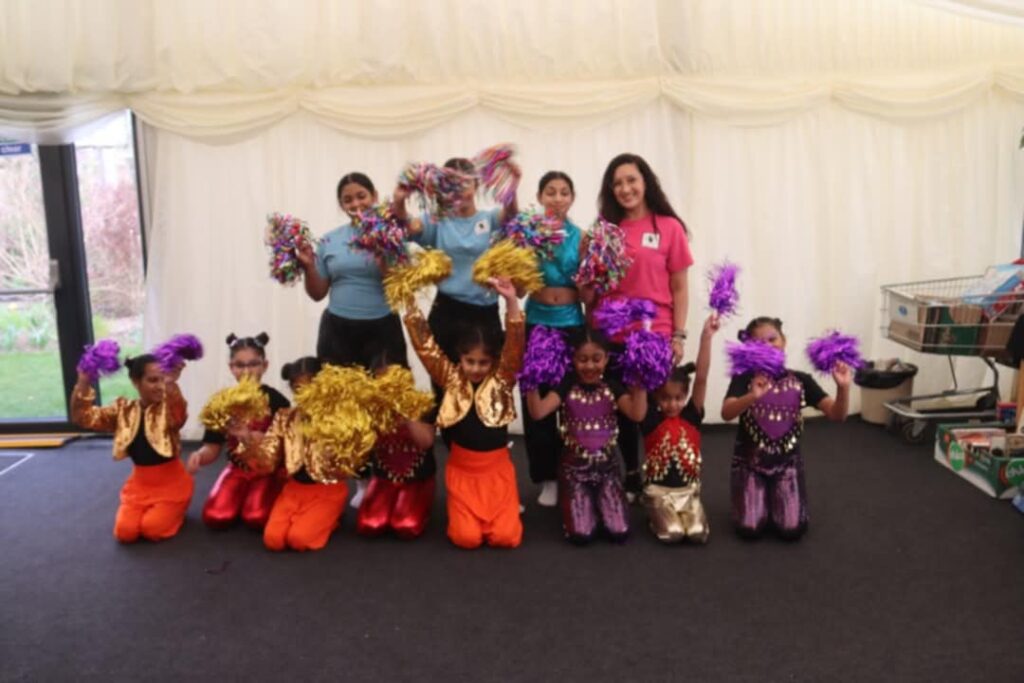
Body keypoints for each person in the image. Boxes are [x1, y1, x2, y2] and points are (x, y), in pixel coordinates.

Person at [589, 153, 694, 499]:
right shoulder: (605, 230)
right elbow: (594, 287)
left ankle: (660, 475)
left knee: (654, 409)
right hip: (612, 335)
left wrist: (678, 334)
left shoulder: (669, 227)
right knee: (621, 410)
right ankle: (631, 473)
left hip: (654, 335)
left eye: (631, 180)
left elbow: (679, 286)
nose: (625, 188)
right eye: (617, 183)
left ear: (645, 181)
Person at [402, 276, 525, 549]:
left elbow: (515, 345)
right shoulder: (451, 380)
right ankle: (466, 512)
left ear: (493, 361)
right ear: (460, 358)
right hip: (462, 473)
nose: (476, 368)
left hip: (497, 473)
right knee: (465, 538)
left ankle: (505, 508)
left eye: (483, 362)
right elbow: (426, 347)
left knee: (506, 538)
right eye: (470, 361)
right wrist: (408, 299)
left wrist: (511, 301)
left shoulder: (502, 380)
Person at [721, 316, 851, 540]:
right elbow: (726, 413)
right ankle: (757, 499)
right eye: (759, 343)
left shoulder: (801, 380)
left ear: (784, 341)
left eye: (772, 339)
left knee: (792, 530)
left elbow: (837, 414)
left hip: (787, 466)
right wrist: (752, 396)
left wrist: (844, 388)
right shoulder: (744, 378)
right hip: (750, 465)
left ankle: (775, 499)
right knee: (749, 529)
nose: (768, 345)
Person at [525, 328, 647, 544]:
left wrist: (640, 381)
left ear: (606, 359)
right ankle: (582, 505)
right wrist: (531, 380)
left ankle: (600, 504)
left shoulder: (612, 386)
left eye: (596, 359)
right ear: (573, 359)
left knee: (619, 531)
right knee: (581, 534)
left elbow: (636, 414)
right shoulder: (566, 385)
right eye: (582, 360)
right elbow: (538, 412)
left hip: (607, 471)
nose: (590, 366)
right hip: (574, 472)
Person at [229, 357, 350, 552]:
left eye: (312, 385)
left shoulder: (339, 418)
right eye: (298, 388)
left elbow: (352, 463)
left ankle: (330, 518)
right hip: (294, 489)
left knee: (299, 539)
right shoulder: (285, 417)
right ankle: (308, 519)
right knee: (273, 540)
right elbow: (268, 460)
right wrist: (247, 439)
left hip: (328, 490)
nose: (305, 393)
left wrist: (335, 453)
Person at [71, 355, 192, 543]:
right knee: (125, 532)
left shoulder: (168, 410)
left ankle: (177, 510)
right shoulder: (123, 410)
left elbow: (179, 414)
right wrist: (84, 381)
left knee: (152, 529)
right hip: (139, 486)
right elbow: (83, 417)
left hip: (172, 485)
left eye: (163, 379)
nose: (160, 386)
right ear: (136, 382)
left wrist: (171, 384)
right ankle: (157, 511)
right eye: (153, 380)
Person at [521, 171, 585, 507]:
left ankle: (577, 471)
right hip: (537, 323)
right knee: (538, 402)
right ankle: (546, 477)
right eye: (550, 192)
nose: (557, 198)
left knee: (573, 400)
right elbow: (520, 288)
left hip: (572, 324)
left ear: (572, 198)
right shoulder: (528, 235)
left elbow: (588, 292)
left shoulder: (582, 238)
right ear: (539, 197)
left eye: (564, 192)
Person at [187, 333, 290, 529]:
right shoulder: (221, 402)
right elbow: (212, 447)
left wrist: (249, 437)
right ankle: (241, 495)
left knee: (256, 517)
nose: (247, 371)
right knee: (216, 516)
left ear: (265, 366)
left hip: (266, 470)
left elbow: (282, 449)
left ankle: (269, 490)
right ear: (231, 368)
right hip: (237, 469)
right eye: (240, 365)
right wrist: (199, 456)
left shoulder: (277, 401)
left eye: (253, 364)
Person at [639, 313, 720, 543]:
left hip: (688, 492)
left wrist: (706, 337)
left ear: (685, 396)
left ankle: (684, 514)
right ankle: (654, 513)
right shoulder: (650, 419)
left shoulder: (691, 416)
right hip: (659, 493)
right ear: (656, 397)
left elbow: (701, 378)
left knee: (697, 535)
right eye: (665, 398)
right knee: (672, 534)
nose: (672, 404)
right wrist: (644, 345)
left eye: (678, 398)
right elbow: (642, 383)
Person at [355, 352, 438, 540]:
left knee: (405, 525)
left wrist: (405, 410)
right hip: (383, 479)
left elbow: (426, 441)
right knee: (370, 524)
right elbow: (362, 448)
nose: (388, 387)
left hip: (417, 480)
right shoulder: (371, 407)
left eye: (393, 380)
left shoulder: (422, 403)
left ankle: (422, 501)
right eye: (382, 381)